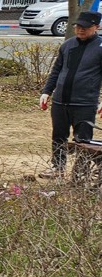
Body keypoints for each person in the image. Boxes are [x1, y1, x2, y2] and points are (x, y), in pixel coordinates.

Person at [38, 10, 102, 178]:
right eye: (78, 26)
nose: (81, 30)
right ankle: (57, 168)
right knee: (58, 136)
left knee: (83, 140)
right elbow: (56, 70)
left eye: (86, 27)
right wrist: (46, 92)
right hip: (60, 101)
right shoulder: (68, 45)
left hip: (85, 103)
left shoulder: (100, 47)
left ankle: (80, 172)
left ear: (97, 27)